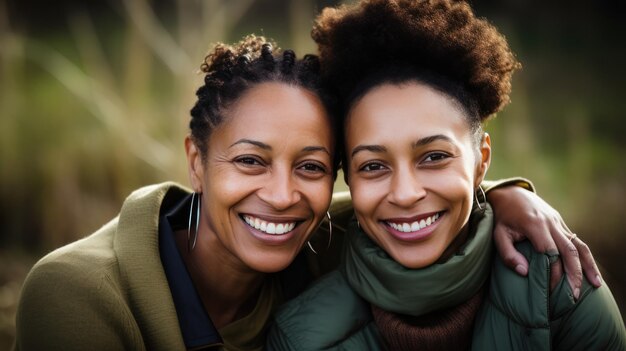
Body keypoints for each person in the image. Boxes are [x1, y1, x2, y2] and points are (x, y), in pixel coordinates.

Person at [13, 32, 599, 351]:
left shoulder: (327, 237)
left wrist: (506, 195)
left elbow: (416, 205)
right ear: (196, 162)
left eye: (312, 167)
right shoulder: (80, 293)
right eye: (249, 161)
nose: (282, 195)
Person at [267, 1, 626, 350]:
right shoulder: (301, 336)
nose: (405, 194)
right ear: (348, 177)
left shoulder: (559, 286)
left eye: (434, 157)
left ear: (481, 161)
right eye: (373, 166)